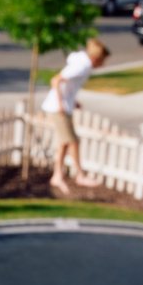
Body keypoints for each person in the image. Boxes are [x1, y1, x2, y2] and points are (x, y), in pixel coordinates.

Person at [40, 38, 110, 193]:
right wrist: (60, 104)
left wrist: (73, 101)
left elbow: (67, 85)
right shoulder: (83, 66)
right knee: (73, 141)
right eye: (103, 60)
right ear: (96, 58)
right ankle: (80, 175)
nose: (103, 64)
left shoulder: (83, 63)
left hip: (64, 107)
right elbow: (56, 80)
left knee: (64, 143)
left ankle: (57, 176)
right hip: (58, 109)